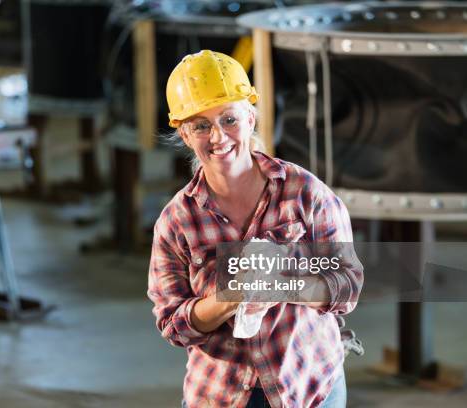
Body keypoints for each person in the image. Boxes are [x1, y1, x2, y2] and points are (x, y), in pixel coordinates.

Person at [147, 50, 363, 408]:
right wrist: (231, 296)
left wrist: (282, 284)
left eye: (229, 119)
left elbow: (348, 285)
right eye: (201, 125)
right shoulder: (178, 222)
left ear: (250, 117)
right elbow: (173, 323)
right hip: (221, 394)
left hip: (308, 386)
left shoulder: (304, 193)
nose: (218, 137)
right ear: (185, 134)